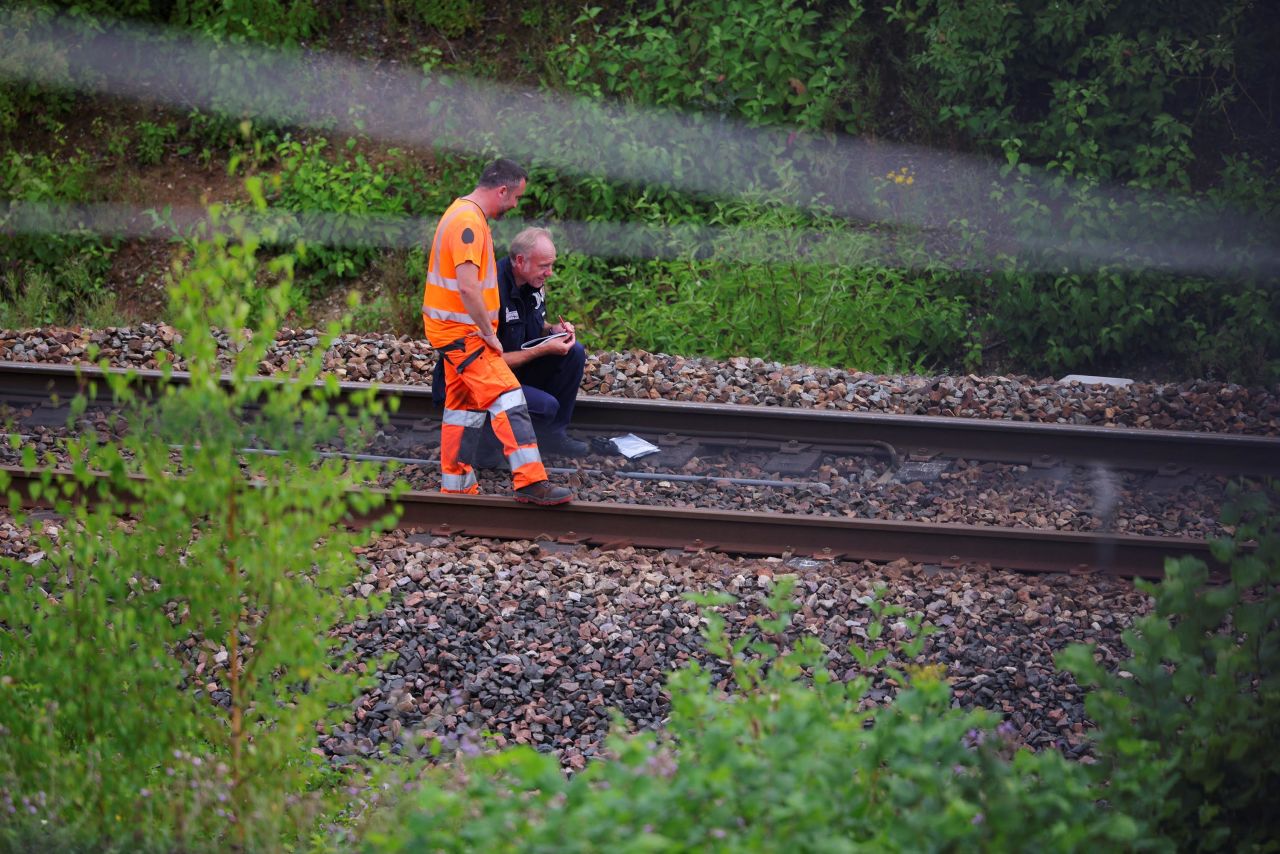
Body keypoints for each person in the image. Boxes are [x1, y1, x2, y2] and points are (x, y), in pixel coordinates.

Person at [422, 158, 573, 506]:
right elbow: (468, 287)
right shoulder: (467, 223)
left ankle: (457, 487)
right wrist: (489, 335)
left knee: (462, 409)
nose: (515, 204)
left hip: (454, 332)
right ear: (502, 190)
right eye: (516, 196)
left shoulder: (464, 215)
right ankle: (531, 481)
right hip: (464, 334)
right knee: (509, 397)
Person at [432, 227, 588, 464]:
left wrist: (551, 330)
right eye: (544, 266)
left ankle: (552, 437)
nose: (550, 273)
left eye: (551, 265)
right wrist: (543, 349)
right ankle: (486, 445)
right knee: (546, 407)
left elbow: (529, 321)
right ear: (519, 261)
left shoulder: (531, 281)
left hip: (511, 371)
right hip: (478, 383)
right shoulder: (490, 290)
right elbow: (484, 363)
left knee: (574, 352)